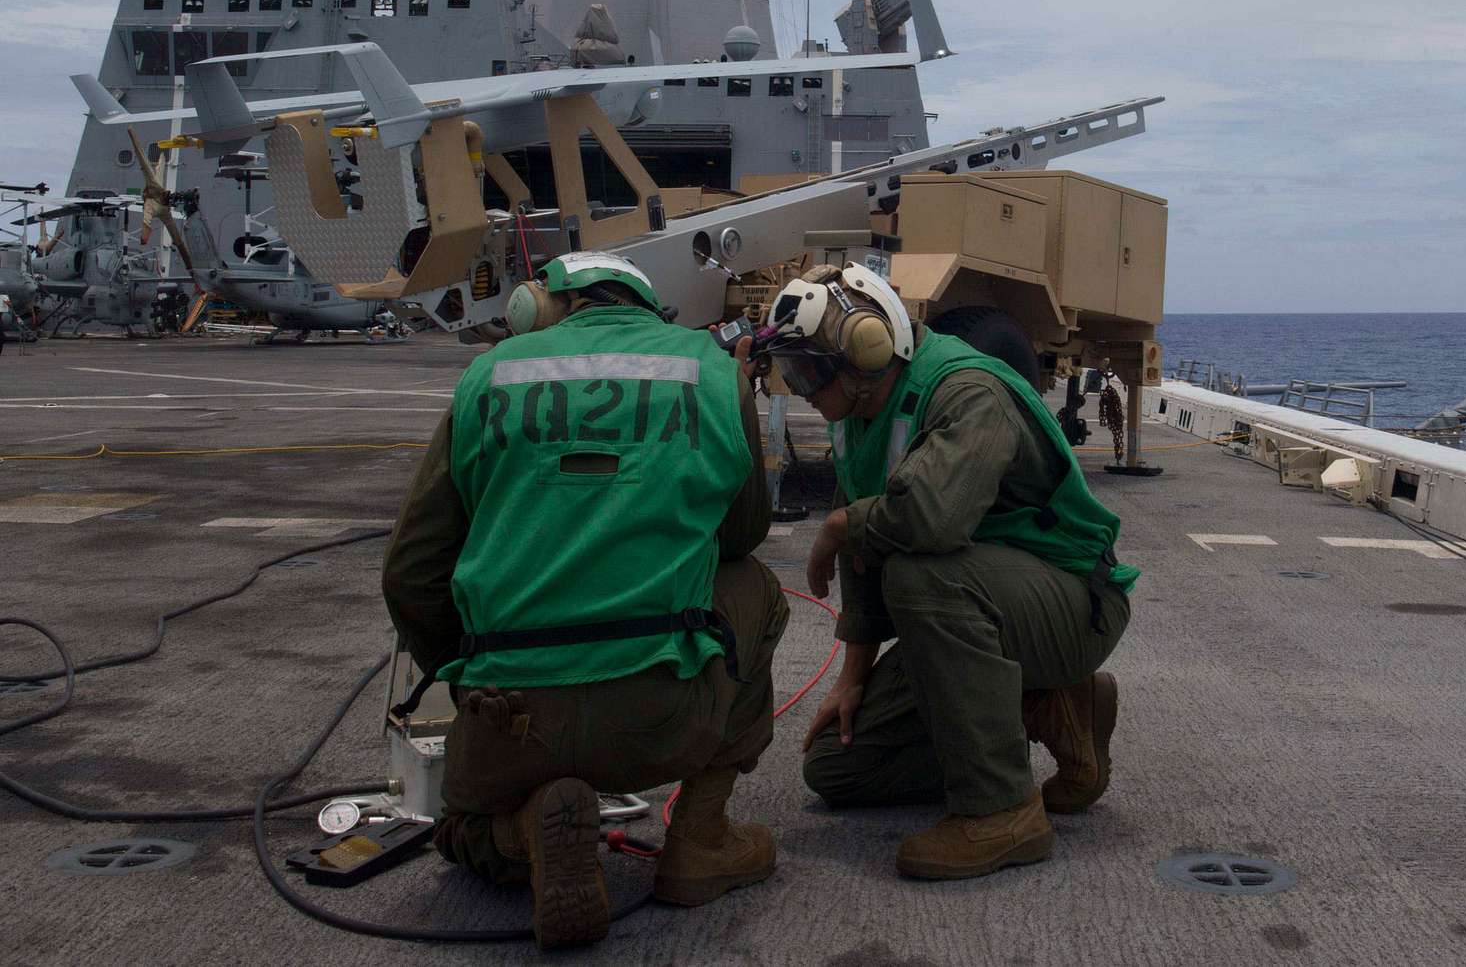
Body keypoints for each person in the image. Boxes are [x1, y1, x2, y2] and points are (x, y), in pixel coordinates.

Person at [383, 252, 790, 949]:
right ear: (646, 306)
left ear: (540, 305)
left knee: (461, 831)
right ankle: (700, 836)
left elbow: (411, 572)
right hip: (660, 714)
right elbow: (743, 533)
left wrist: (468, 669)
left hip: (508, 717)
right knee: (757, 587)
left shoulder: (491, 374)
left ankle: (525, 826)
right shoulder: (711, 369)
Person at [764, 263, 1137, 881]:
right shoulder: (854, 418)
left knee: (919, 575)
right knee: (836, 767)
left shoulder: (966, 391)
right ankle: (1045, 707)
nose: (800, 385)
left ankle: (1004, 811)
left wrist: (837, 528)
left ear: (866, 348)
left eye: (809, 368)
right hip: (983, 608)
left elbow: (929, 520)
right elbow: (864, 533)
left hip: (1071, 601)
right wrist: (852, 678)